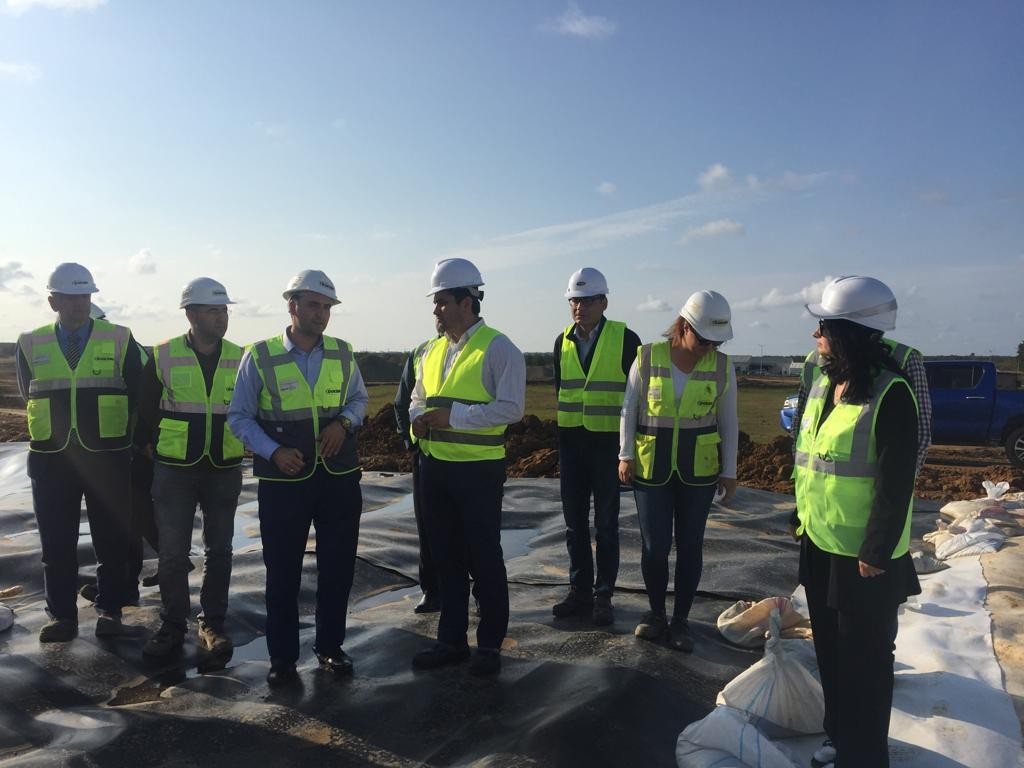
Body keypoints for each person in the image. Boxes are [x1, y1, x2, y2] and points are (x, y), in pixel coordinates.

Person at [794, 279, 921, 768]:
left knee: (865, 663)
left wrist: (876, 548)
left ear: (848, 332)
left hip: (864, 558)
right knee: (831, 654)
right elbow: (812, 457)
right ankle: (841, 739)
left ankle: (865, 756)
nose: (816, 336)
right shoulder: (825, 383)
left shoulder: (891, 393)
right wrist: (801, 514)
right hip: (820, 542)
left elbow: (895, 481)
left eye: (823, 327)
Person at [227, 269, 368, 686]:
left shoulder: (342, 353)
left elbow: (359, 399)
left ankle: (330, 647)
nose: (321, 314)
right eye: (313, 305)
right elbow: (239, 417)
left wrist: (344, 423)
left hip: (338, 478)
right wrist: (273, 451)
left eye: (327, 307)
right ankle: (283, 659)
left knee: (338, 568)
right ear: (293, 306)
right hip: (283, 483)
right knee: (282, 573)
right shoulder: (260, 356)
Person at [409, 258, 525, 676]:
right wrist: (416, 419)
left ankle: (489, 644)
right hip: (435, 469)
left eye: (442, 302)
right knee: (446, 558)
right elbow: (418, 397)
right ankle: (451, 641)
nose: (435, 310)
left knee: (483, 557)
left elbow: (512, 408)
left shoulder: (499, 348)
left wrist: (454, 417)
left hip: (478, 472)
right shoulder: (431, 350)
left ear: (466, 302)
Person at [16, 263, 143, 642]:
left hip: (107, 456)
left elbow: (137, 393)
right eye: (70, 297)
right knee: (56, 544)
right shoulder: (30, 342)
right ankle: (62, 617)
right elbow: (27, 393)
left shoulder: (120, 338)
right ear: (53, 301)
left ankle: (110, 611)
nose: (79, 304)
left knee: (111, 541)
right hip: (52, 459)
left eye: (85, 296)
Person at [618, 290, 738, 652]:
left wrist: (729, 470)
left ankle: (681, 620)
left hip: (698, 471)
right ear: (683, 327)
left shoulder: (722, 366)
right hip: (652, 468)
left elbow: (729, 421)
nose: (709, 348)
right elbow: (630, 408)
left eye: (716, 342)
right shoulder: (647, 357)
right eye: (703, 340)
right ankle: (656, 614)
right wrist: (625, 455)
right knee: (654, 546)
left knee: (690, 546)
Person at [136, 278, 244, 661]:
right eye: (213, 311)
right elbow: (145, 405)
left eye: (224, 310)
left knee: (220, 551)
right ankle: (172, 625)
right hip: (175, 468)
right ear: (191, 314)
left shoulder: (240, 357)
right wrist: (156, 442)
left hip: (224, 466)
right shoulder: (162, 355)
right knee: (172, 553)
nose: (222, 317)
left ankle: (212, 624)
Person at [551, 267, 641, 626]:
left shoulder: (626, 339)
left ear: (603, 302)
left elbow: (636, 399)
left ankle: (603, 595)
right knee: (574, 525)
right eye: (574, 300)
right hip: (572, 446)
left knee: (605, 526)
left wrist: (627, 451)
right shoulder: (561, 342)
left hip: (607, 448)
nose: (579, 307)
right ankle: (579, 592)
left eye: (587, 300)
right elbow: (561, 391)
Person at [791, 275, 931, 476]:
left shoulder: (904, 360)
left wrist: (897, 486)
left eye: (823, 325)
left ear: (844, 331)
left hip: (865, 494)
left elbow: (920, 437)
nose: (815, 333)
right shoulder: (814, 362)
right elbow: (799, 427)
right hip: (811, 493)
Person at [394, 321, 442, 614]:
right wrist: (410, 442)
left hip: (468, 458)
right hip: (426, 456)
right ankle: (432, 590)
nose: (438, 313)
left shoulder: (484, 349)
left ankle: (478, 592)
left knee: (470, 530)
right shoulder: (421, 352)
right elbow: (402, 403)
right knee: (428, 526)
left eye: (444, 303)